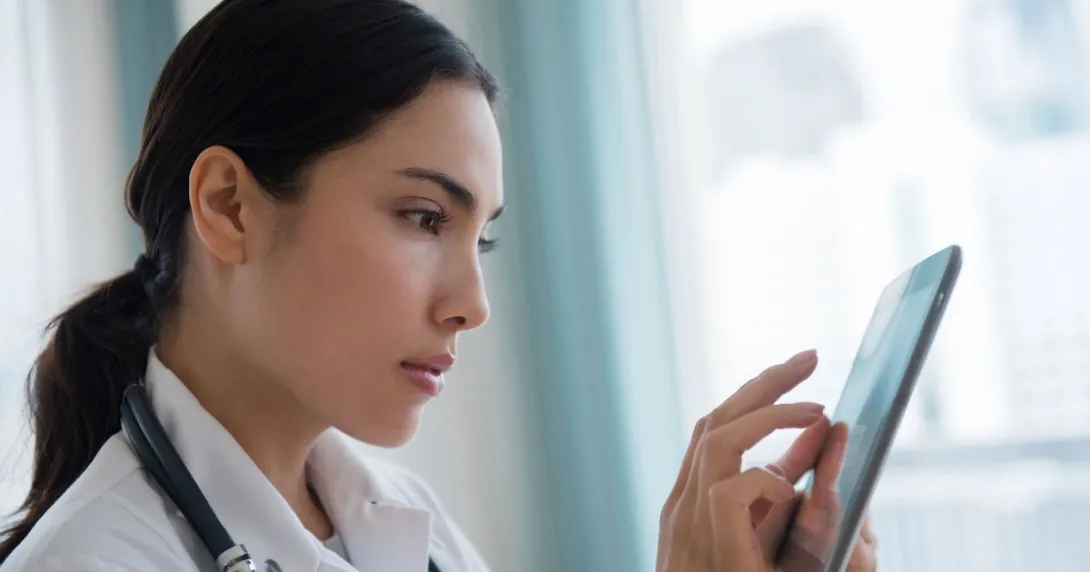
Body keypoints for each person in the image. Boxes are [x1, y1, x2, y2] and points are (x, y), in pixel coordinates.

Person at [0, 1, 878, 571]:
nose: (473, 303)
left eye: (480, 237)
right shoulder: (96, 561)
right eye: (425, 219)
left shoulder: (403, 522)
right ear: (230, 206)